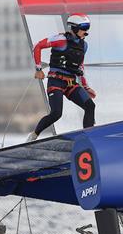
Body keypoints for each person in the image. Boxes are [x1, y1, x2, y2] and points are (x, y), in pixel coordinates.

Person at [27, 13, 97, 142]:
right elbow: (37, 46)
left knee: (90, 106)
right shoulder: (60, 39)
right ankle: (34, 135)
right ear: (75, 27)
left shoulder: (84, 46)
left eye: (88, 28)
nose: (86, 31)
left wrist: (86, 86)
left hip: (71, 83)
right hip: (56, 81)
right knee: (56, 114)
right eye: (84, 27)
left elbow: (80, 67)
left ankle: (89, 137)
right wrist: (38, 69)